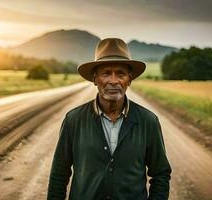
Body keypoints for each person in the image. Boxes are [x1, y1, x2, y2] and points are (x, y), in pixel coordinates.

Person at [47, 38, 172, 200]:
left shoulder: (148, 121)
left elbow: (161, 174)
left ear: (130, 78)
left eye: (120, 73)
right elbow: (59, 175)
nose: (113, 81)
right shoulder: (73, 120)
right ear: (94, 78)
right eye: (106, 73)